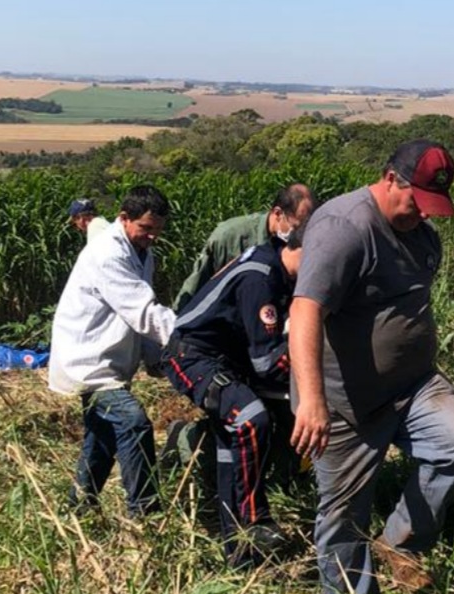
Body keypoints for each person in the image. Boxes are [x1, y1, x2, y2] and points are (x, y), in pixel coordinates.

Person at [289, 139, 454, 594]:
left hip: (413, 386)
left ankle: (399, 542)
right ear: (390, 177)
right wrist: (311, 400)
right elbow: (305, 309)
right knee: (344, 512)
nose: (423, 214)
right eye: (416, 201)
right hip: (344, 401)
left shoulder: (421, 235)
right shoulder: (345, 228)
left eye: (432, 207)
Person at [162, 240, 301, 568]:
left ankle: (237, 554)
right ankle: (254, 520)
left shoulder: (277, 268)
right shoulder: (261, 278)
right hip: (193, 355)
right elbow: (268, 362)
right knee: (250, 419)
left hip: (227, 359)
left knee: (233, 446)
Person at [49, 185, 176, 518]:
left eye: (157, 230)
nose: (152, 236)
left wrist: (155, 359)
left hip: (112, 358)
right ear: (123, 218)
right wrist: (188, 339)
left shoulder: (142, 253)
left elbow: (138, 312)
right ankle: (146, 515)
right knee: (133, 423)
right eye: (146, 228)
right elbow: (144, 312)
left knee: (102, 437)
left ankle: (79, 509)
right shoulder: (109, 253)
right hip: (89, 360)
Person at [174, 184, 314, 311]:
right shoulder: (229, 236)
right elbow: (197, 283)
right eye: (296, 227)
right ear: (278, 214)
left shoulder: (301, 243)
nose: (300, 233)